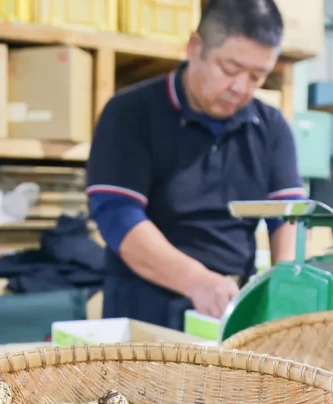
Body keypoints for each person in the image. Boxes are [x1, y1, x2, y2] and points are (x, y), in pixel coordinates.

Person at [86, 0, 305, 330]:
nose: (241, 88)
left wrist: (286, 287)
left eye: (257, 77)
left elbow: (287, 214)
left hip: (232, 306)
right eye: (230, 70)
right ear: (195, 48)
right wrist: (197, 281)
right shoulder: (130, 113)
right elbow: (117, 216)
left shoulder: (271, 126)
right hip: (145, 310)